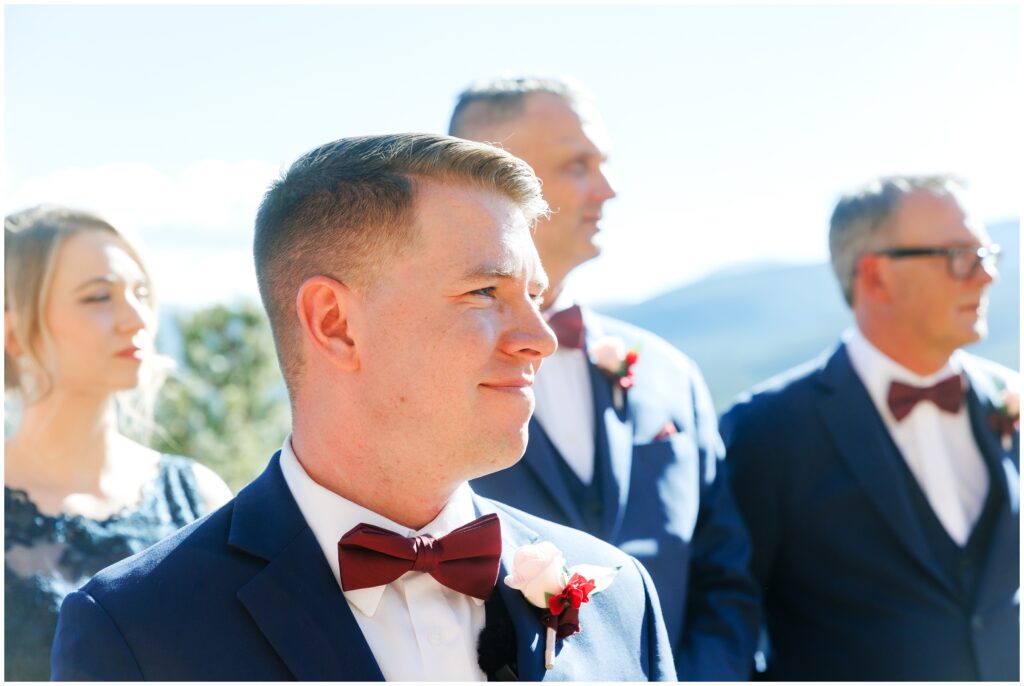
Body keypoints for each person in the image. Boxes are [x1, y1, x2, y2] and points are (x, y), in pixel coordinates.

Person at [51, 133, 677, 681]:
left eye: (535, 295)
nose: (539, 338)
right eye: (485, 291)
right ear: (335, 324)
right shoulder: (135, 631)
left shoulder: (617, 596)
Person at [450, 76, 759, 679]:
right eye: (578, 164)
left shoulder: (670, 374)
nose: (609, 189)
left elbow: (724, 573)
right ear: (489, 176)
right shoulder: (421, 373)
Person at [720, 175, 1019, 680]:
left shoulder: (1011, 399)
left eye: (986, 254)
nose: (984, 276)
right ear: (876, 276)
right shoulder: (767, 428)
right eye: (957, 255)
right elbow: (729, 609)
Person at [3, 205, 233, 681]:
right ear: (13, 329)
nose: (136, 318)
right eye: (98, 297)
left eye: (141, 293)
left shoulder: (197, 496)